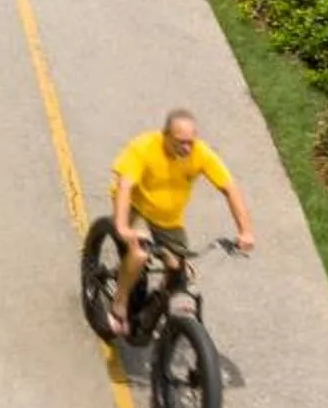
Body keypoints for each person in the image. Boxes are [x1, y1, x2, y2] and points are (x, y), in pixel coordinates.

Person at [105, 109, 255, 338]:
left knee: (177, 269)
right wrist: (124, 228)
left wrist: (245, 231)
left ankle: (151, 312)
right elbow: (125, 186)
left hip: (166, 217)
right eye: (180, 142)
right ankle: (119, 302)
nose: (186, 148)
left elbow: (229, 188)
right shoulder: (144, 148)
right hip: (134, 204)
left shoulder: (200, 154)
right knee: (139, 253)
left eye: (190, 143)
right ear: (165, 135)